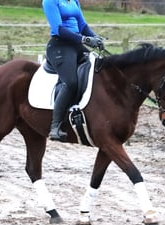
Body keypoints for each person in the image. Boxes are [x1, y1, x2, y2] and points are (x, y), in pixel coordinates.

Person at [42, 0, 104, 141]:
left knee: (98, 71)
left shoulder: (74, 0)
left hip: (76, 45)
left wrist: (95, 37)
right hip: (59, 46)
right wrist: (85, 40)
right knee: (70, 82)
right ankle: (55, 126)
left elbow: (82, 25)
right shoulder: (50, 1)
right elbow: (59, 29)